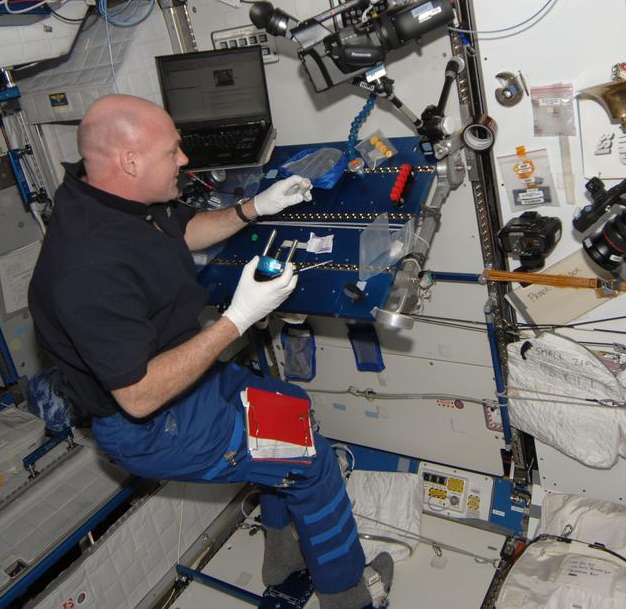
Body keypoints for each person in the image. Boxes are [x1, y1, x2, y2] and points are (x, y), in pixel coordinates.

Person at [30, 94, 392, 609]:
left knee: (292, 407)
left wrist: (254, 207)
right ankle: (350, 598)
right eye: (172, 152)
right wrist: (238, 318)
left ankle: (283, 556)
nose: (184, 160)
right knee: (309, 461)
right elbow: (138, 395)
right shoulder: (87, 268)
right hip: (154, 423)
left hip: (188, 381)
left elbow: (178, 228)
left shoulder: (108, 193)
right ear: (129, 161)